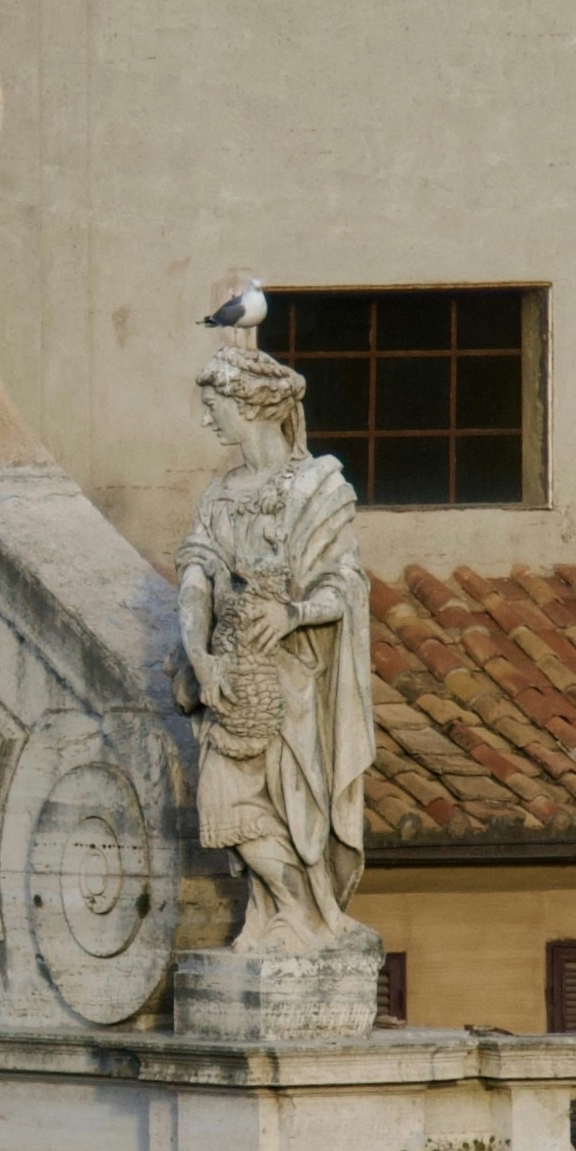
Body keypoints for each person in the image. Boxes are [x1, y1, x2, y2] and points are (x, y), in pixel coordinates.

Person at [172, 340, 373, 949]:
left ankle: (306, 917)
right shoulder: (218, 495)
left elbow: (344, 586)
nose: (207, 420)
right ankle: (290, 910)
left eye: (214, 407)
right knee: (223, 803)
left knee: (296, 803)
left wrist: (291, 615)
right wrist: (200, 658)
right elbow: (194, 581)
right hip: (231, 675)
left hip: (295, 682)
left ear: (250, 406)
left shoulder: (318, 486)